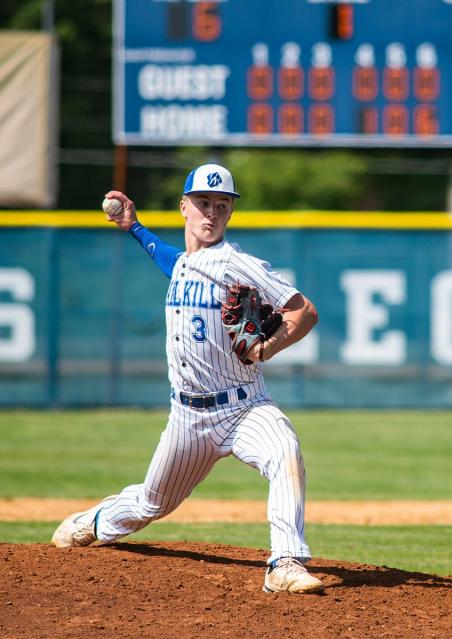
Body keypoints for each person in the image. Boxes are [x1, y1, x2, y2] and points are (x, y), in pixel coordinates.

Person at [52, 164, 324, 593]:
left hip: (245, 405)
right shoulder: (185, 265)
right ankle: (96, 521)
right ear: (184, 207)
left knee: (285, 451)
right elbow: (173, 261)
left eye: (221, 205)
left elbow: (304, 311)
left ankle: (285, 563)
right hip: (188, 418)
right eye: (202, 204)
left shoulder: (237, 263)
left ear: (230, 213)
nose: (211, 213)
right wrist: (134, 227)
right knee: (151, 504)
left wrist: (267, 348)